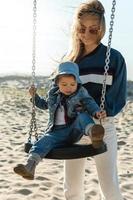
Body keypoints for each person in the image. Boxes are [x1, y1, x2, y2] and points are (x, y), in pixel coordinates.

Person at [63, 1, 127, 200]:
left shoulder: (114, 58)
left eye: (94, 29)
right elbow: (61, 94)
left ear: (102, 29)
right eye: (82, 29)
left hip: (102, 125)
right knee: (72, 189)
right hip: (75, 127)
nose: (87, 34)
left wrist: (105, 109)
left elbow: (118, 95)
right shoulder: (71, 61)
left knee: (110, 188)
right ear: (76, 29)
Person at [13, 61, 106, 180]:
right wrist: (34, 96)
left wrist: (97, 112)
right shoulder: (52, 94)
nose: (69, 88)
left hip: (74, 129)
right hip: (55, 133)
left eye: (73, 84)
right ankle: (29, 168)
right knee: (42, 143)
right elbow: (44, 105)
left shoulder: (81, 92)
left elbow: (89, 103)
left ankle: (94, 134)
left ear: (77, 82)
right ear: (57, 83)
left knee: (82, 116)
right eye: (64, 84)